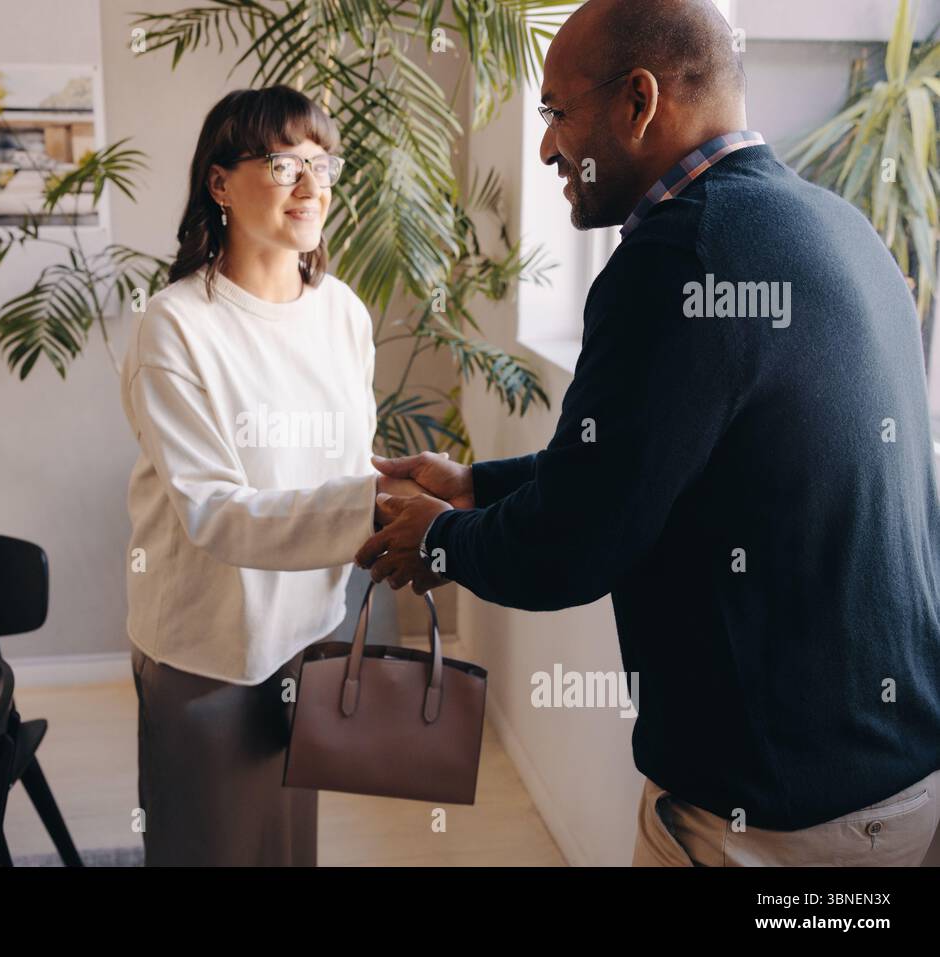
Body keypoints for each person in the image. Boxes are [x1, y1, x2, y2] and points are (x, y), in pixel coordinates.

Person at [356, 0, 940, 866]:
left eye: (556, 111)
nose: (548, 145)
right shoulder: (840, 227)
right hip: (898, 790)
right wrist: (477, 486)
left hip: (771, 823)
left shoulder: (680, 257)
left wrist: (439, 542)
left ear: (638, 101)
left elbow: (572, 546)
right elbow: (637, 465)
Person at [120, 85, 420, 865]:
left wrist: (400, 506)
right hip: (206, 643)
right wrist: (373, 505)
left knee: (287, 847)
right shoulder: (177, 325)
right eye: (284, 162)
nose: (312, 184)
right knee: (209, 848)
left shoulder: (343, 312)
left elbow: (350, 462)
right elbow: (215, 511)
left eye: (323, 164)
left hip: (309, 635)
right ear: (219, 183)